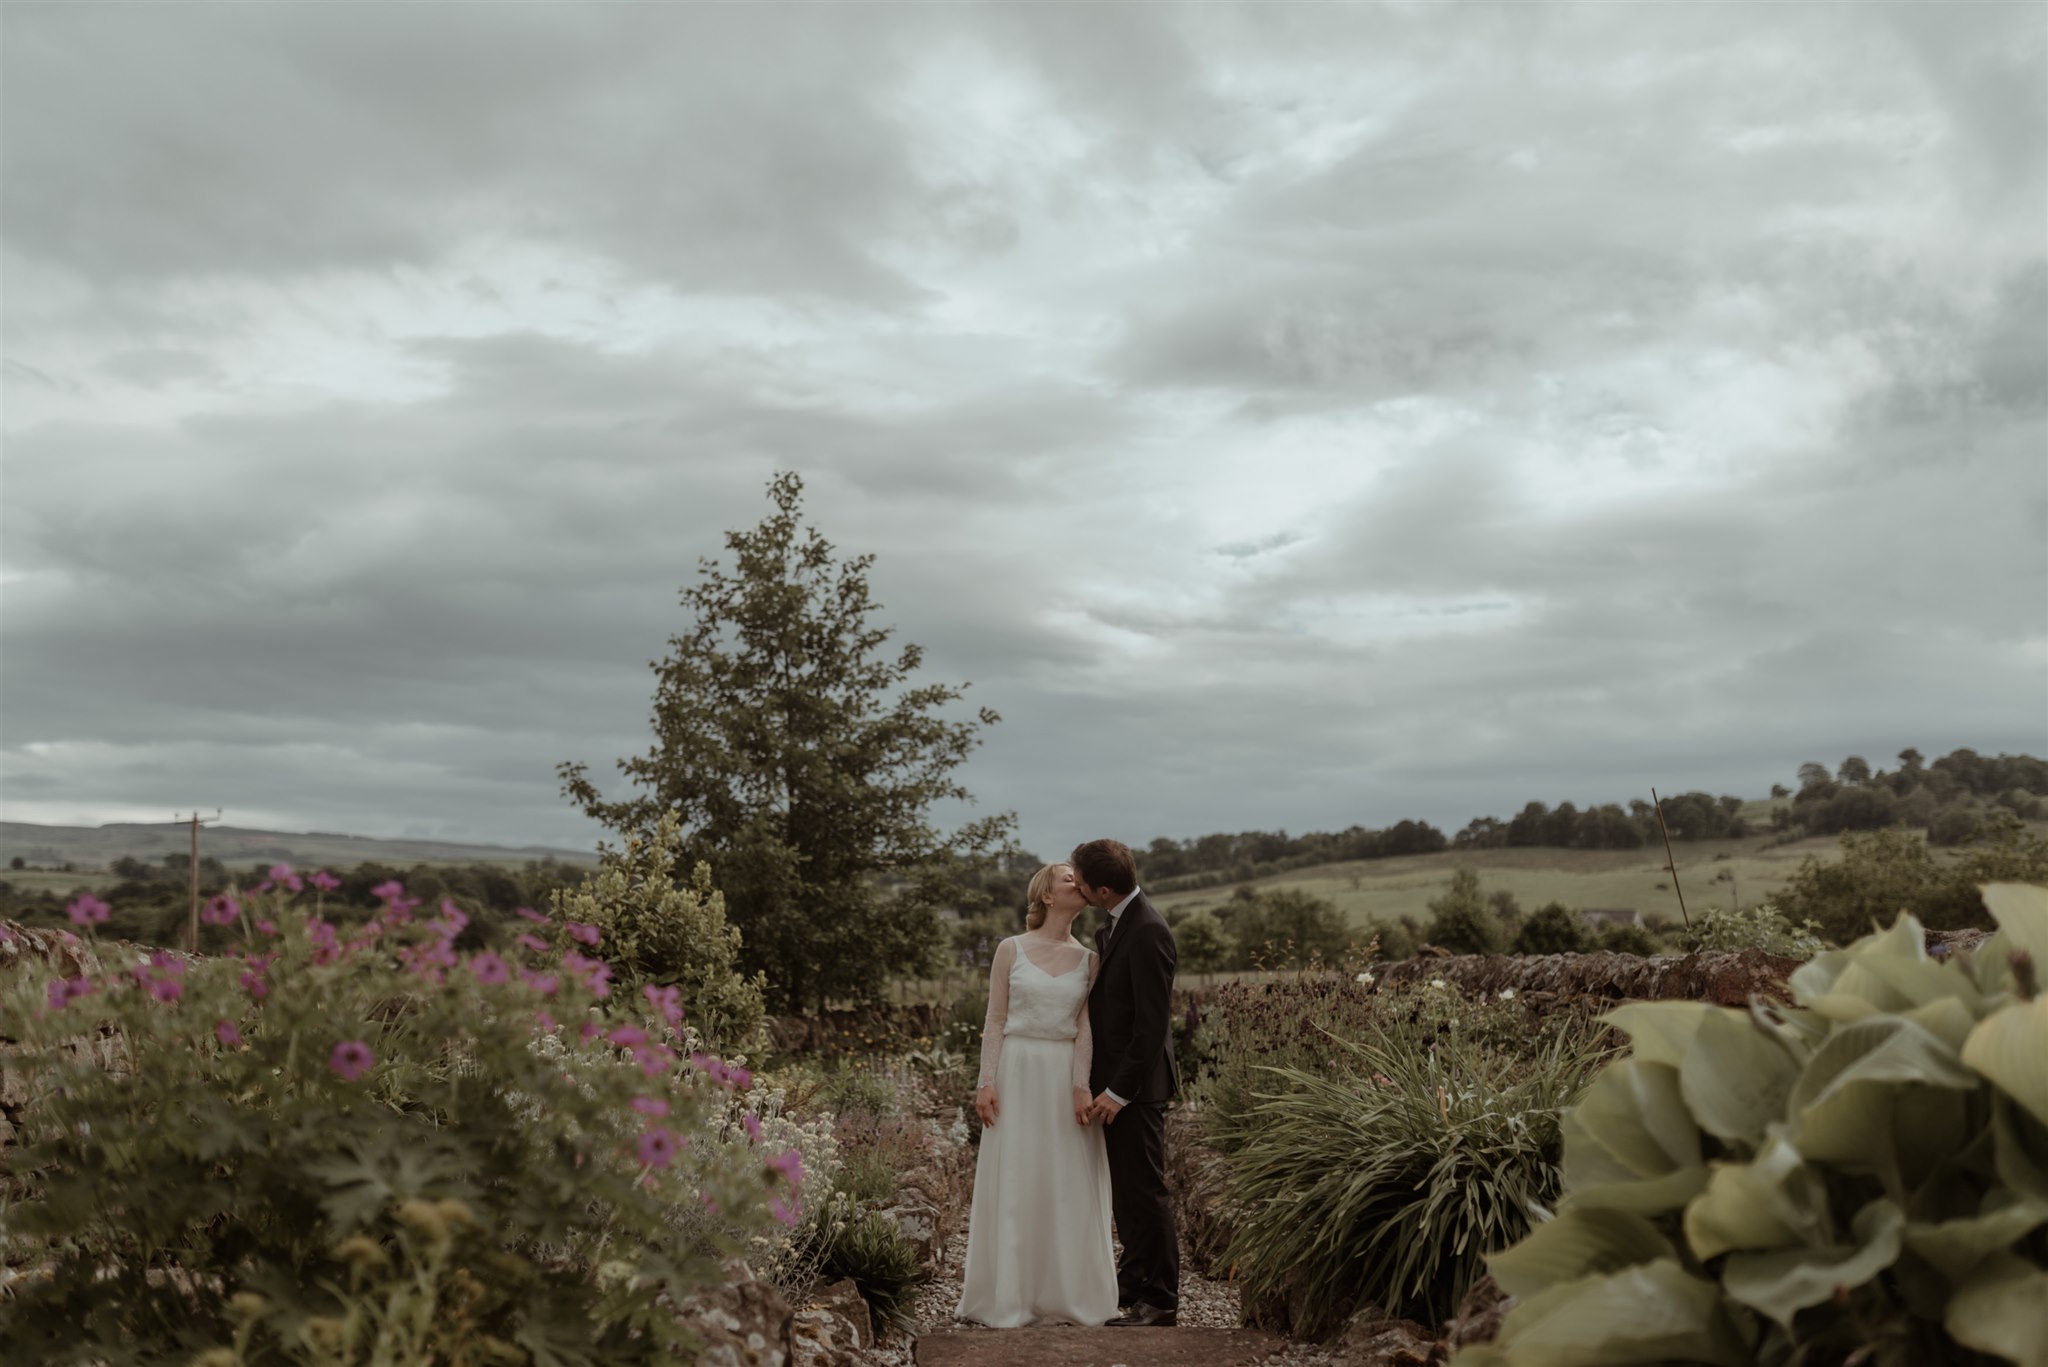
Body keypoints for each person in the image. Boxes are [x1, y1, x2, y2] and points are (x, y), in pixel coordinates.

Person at [954, 863, 1118, 1327]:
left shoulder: (1090, 959)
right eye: (1069, 878)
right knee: (1017, 1176)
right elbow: (995, 1019)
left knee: (1066, 1180)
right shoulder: (1011, 950)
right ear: (1046, 895)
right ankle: (1009, 1295)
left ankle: (1066, 1295)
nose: (1078, 883)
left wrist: (1081, 1085)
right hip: (1017, 1071)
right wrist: (986, 1080)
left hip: (1063, 1073)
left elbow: (1086, 1028)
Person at [1073, 837, 1180, 1328]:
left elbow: (1151, 1027)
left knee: (1145, 1192)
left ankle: (1160, 1301)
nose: (1076, 885)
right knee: (1125, 1193)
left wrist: (1118, 1092)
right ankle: (1133, 1284)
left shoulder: (1148, 931)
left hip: (1136, 1089)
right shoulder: (1116, 924)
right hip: (1117, 1085)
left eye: (1080, 880)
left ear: (1103, 888)